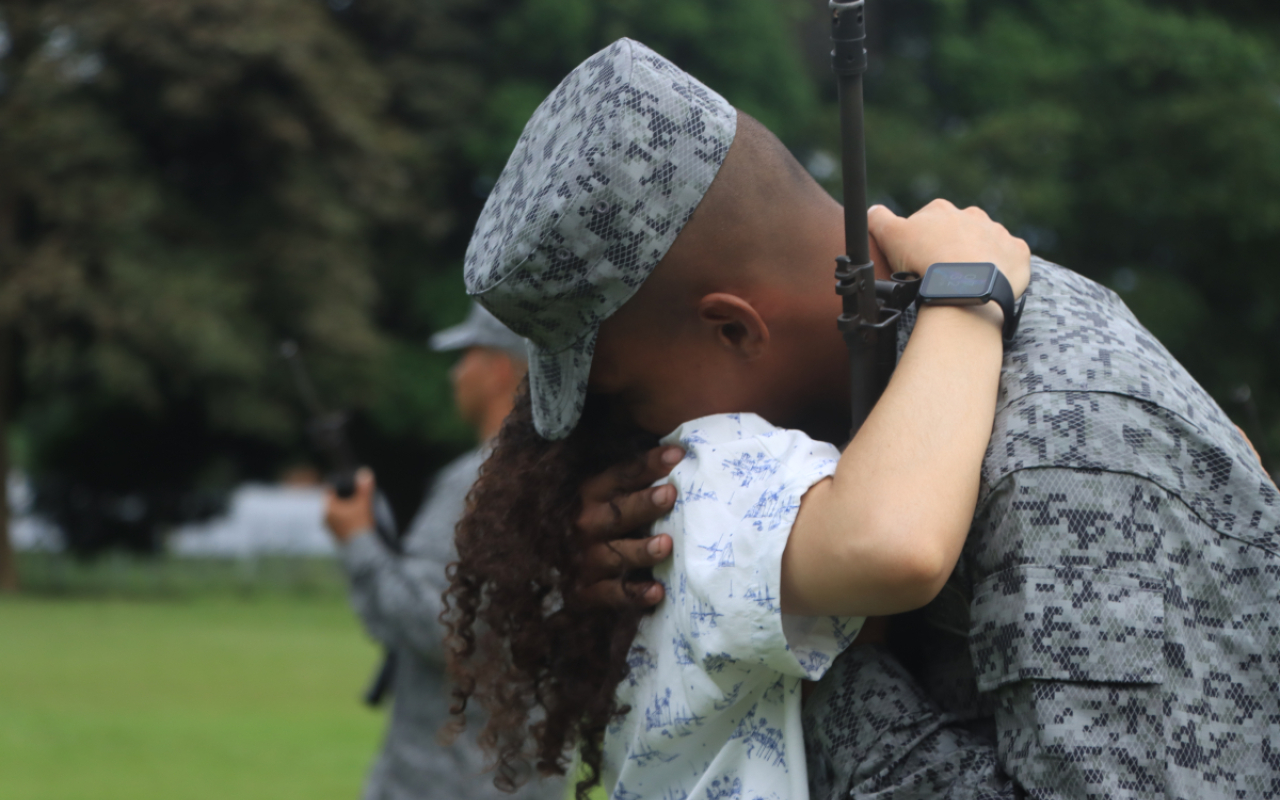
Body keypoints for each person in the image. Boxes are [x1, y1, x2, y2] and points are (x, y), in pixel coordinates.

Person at [452, 37, 1280, 800]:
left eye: (628, 401)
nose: (639, 439)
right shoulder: (914, 387)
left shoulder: (1061, 440)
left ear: (735, 326)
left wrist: (836, 676)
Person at [441, 38, 1035, 799]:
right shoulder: (700, 475)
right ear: (730, 328)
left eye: (616, 394)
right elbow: (896, 545)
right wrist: (965, 298)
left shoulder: (649, 517)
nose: (633, 425)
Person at [324, 303, 563, 800]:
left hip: (444, 779)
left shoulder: (475, 485)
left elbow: (439, 627)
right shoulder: (562, 477)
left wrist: (359, 540)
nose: (455, 375)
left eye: (465, 357)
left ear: (498, 370)